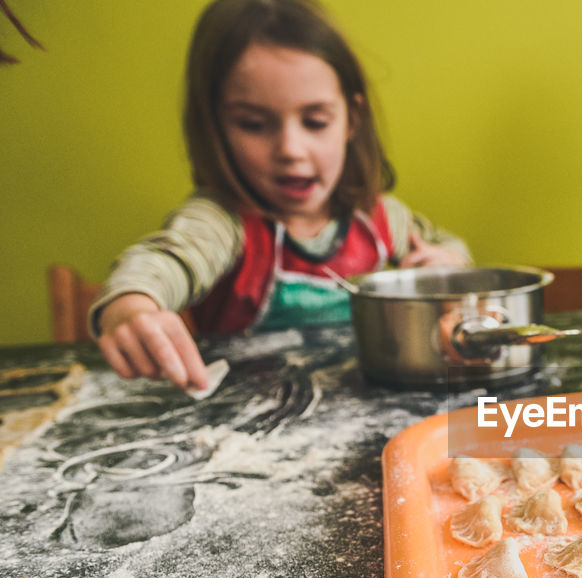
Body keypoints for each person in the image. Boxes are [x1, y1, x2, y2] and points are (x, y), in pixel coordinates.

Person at [91, 0, 469, 391]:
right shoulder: (222, 224)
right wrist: (131, 307)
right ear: (216, 127)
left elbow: (446, 247)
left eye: (315, 122)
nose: (290, 148)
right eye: (254, 124)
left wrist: (449, 262)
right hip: (247, 425)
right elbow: (163, 260)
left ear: (351, 120)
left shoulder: (378, 218)